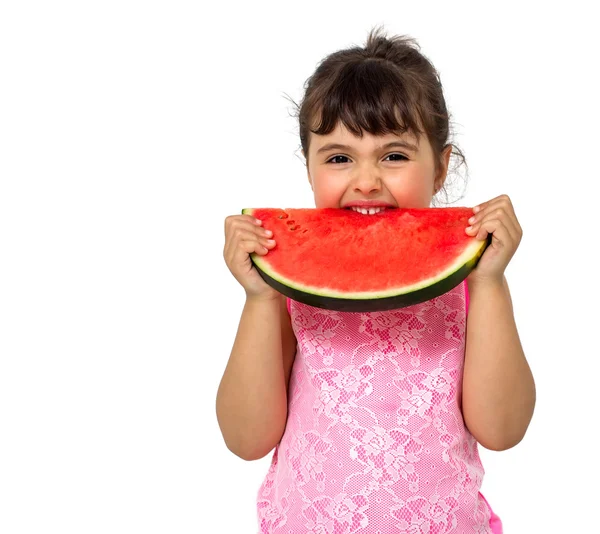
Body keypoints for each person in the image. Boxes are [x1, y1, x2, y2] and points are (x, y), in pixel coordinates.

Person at [217, 25, 535, 534]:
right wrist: (259, 298)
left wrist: (491, 283)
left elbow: (502, 430)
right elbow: (246, 438)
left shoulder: (468, 287)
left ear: (440, 168)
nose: (366, 180)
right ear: (309, 169)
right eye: (340, 158)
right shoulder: (292, 290)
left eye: (394, 155)